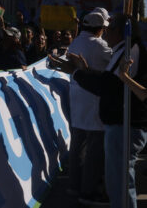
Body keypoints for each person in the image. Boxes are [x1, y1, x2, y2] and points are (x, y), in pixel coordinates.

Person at [49, 13, 147, 208]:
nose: (106, 33)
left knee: (120, 183)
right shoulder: (122, 50)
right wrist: (82, 72)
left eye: (109, 30)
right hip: (117, 122)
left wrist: (78, 73)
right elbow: (109, 80)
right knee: (116, 182)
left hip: (125, 124)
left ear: (118, 32)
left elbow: (108, 85)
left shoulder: (130, 51)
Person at [65, 11, 112, 205]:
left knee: (77, 146)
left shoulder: (76, 42)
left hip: (77, 99)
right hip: (93, 100)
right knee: (94, 150)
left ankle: (74, 185)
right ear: (100, 28)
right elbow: (117, 60)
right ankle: (89, 191)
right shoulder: (99, 45)